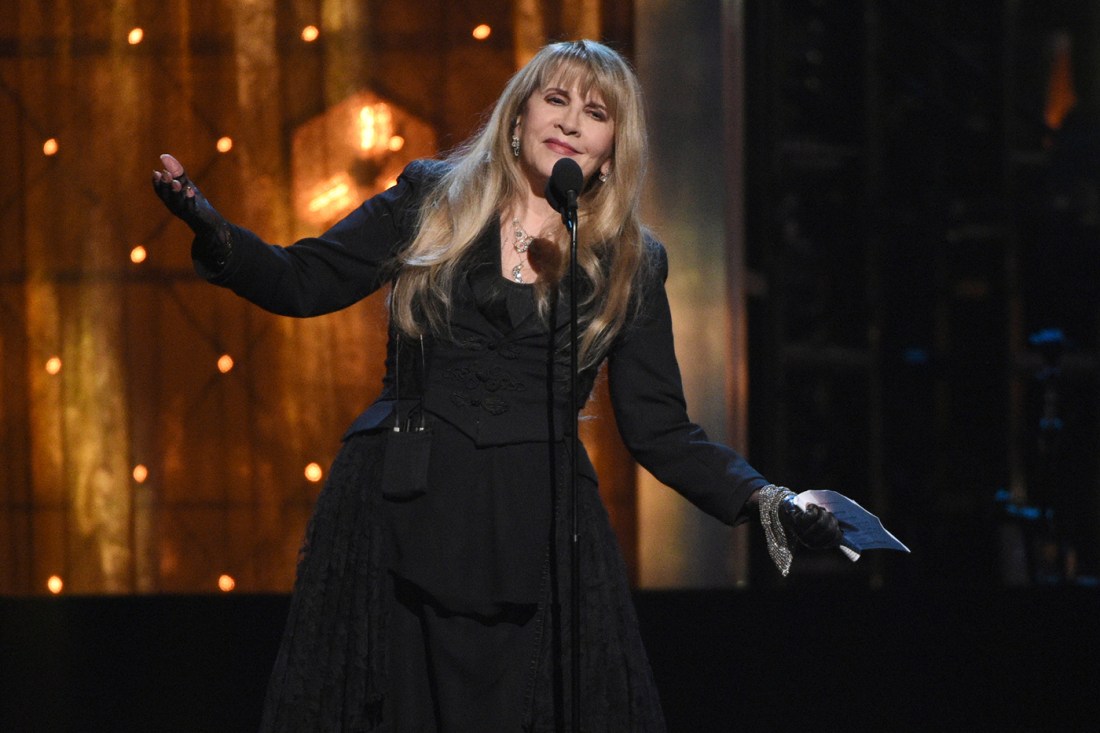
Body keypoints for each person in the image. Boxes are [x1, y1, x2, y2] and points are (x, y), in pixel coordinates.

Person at [153, 39, 842, 732]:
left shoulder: (631, 261)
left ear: (609, 150)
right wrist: (215, 234)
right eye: (556, 99)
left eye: (595, 112)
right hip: (399, 513)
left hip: (532, 540)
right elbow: (301, 280)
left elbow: (661, 429)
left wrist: (764, 498)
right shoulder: (429, 199)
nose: (571, 121)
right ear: (517, 119)